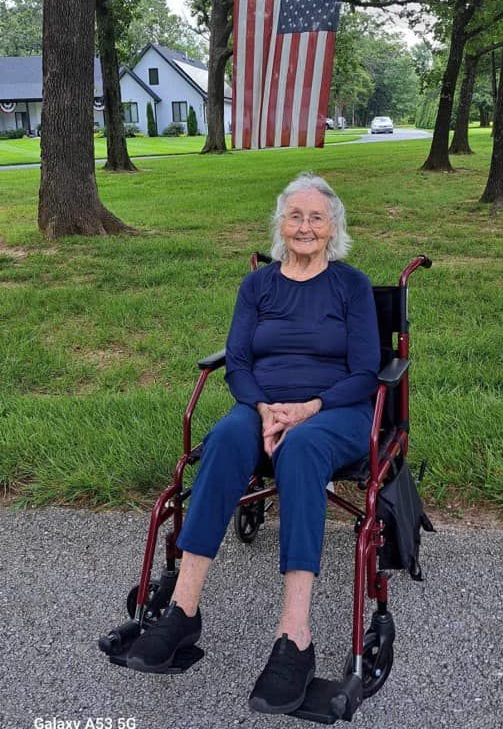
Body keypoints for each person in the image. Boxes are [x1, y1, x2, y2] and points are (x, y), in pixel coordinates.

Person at [126, 172, 380, 715]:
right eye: (295, 216)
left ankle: (296, 637)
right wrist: (265, 407)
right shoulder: (258, 286)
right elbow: (237, 362)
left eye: (316, 217)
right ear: (280, 225)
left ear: (333, 226)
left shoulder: (350, 286)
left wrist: (307, 409)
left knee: (303, 449)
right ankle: (182, 610)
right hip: (263, 407)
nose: (305, 226)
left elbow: (366, 372)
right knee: (222, 439)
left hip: (334, 411)